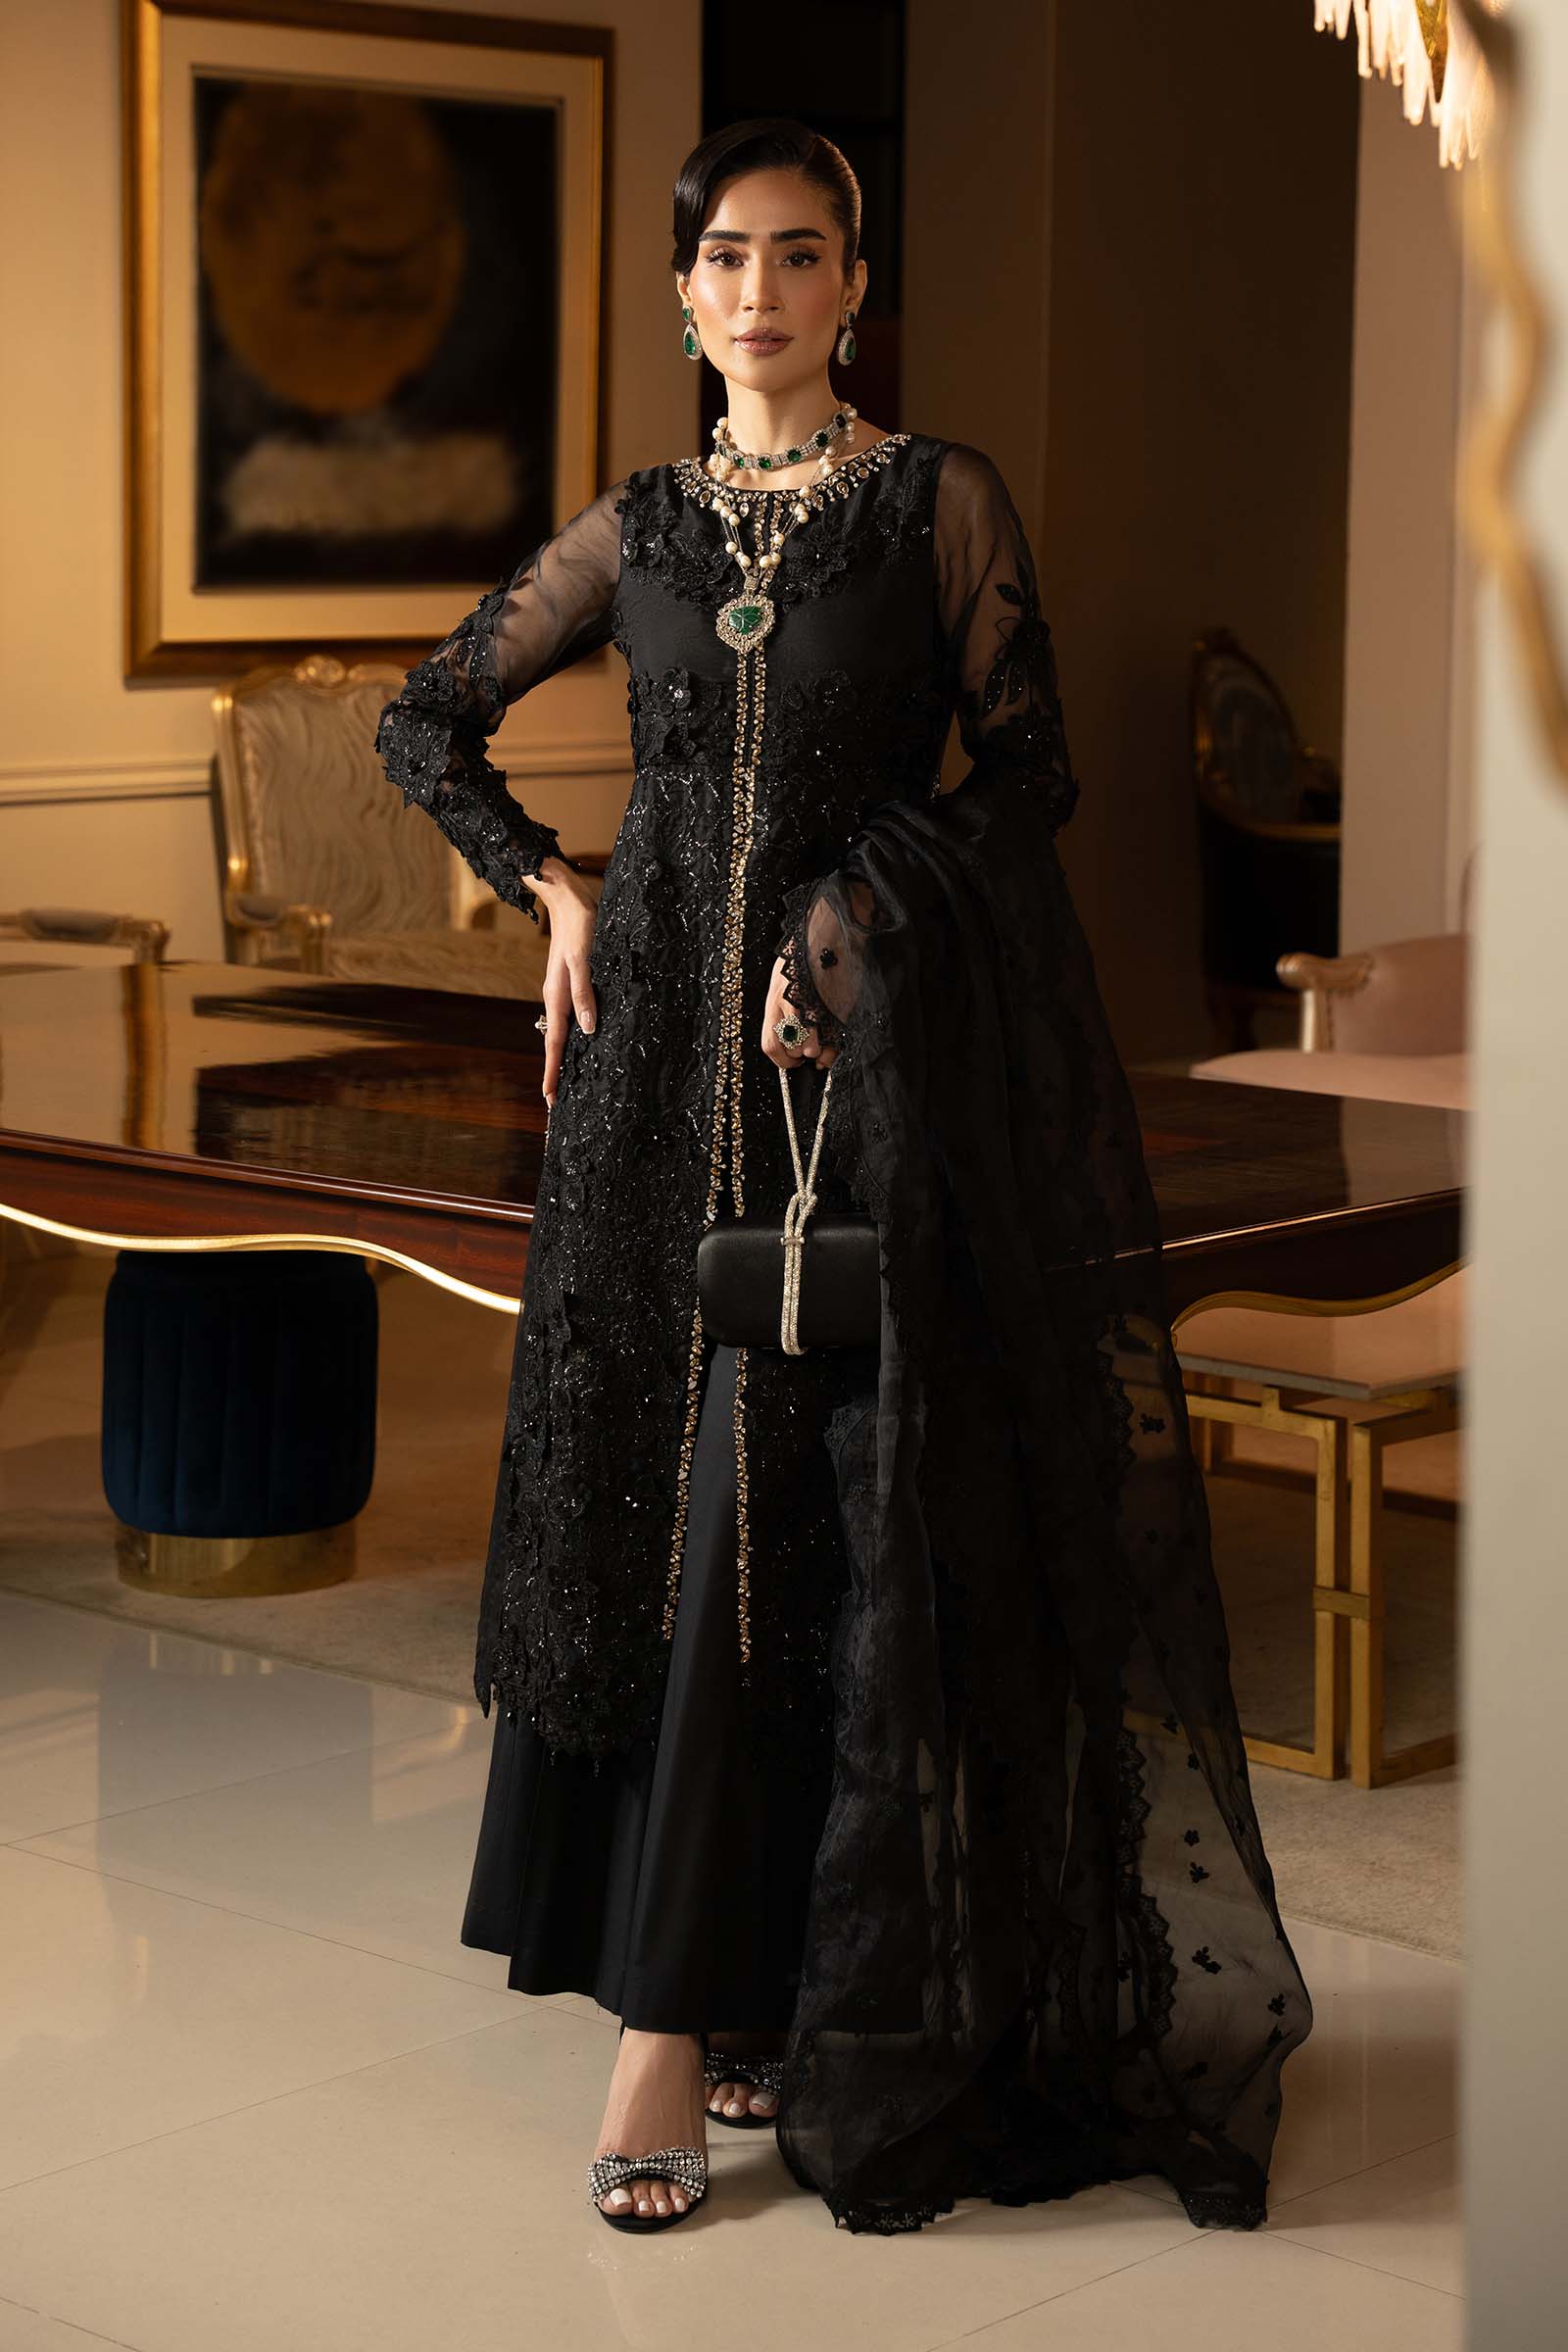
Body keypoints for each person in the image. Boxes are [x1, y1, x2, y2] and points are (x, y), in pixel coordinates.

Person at [374, 115, 1313, 2239]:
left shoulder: (931, 504)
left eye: (802, 254)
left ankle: (696, 2019)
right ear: (683, 292)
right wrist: (550, 891)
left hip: (852, 1097)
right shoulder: (639, 529)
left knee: (805, 1518)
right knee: (670, 1523)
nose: (763, 291)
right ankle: (710, 1989)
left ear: (854, 287)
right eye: (728, 256)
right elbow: (426, 720)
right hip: (645, 1106)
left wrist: (854, 918)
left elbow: (1030, 770)